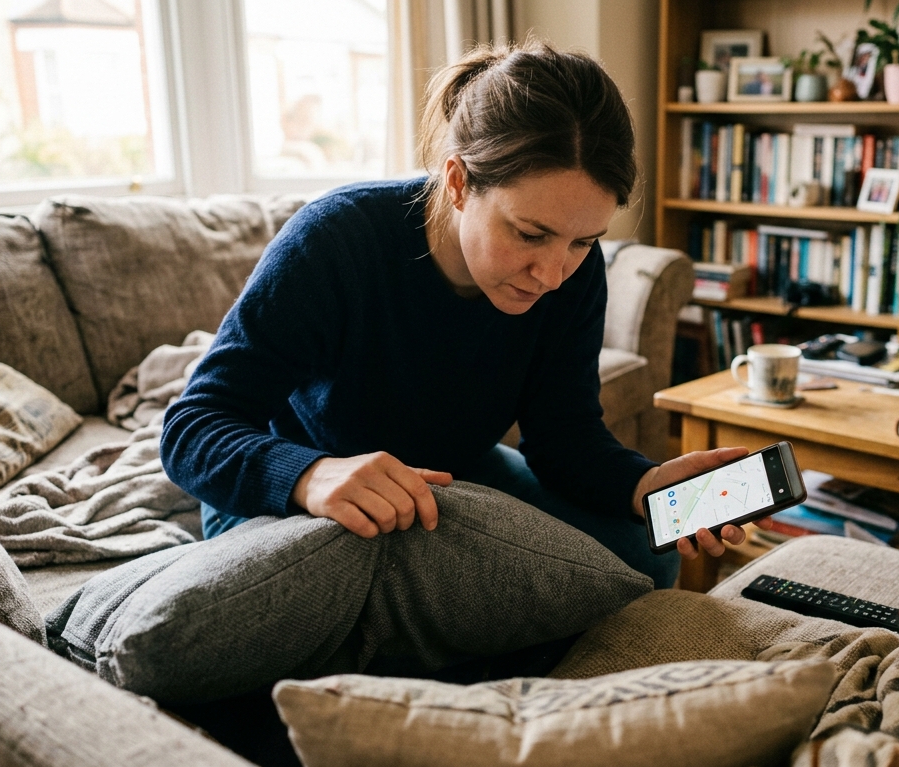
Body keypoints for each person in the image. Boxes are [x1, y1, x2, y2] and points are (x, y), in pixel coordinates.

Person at [159, 41, 762, 590]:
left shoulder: (575, 273)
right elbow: (193, 428)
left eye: (582, 242)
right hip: (295, 475)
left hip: (456, 473)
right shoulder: (336, 240)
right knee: (321, 597)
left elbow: (563, 439)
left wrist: (640, 484)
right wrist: (310, 475)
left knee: (646, 556)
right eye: (530, 234)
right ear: (456, 182)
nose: (552, 275)